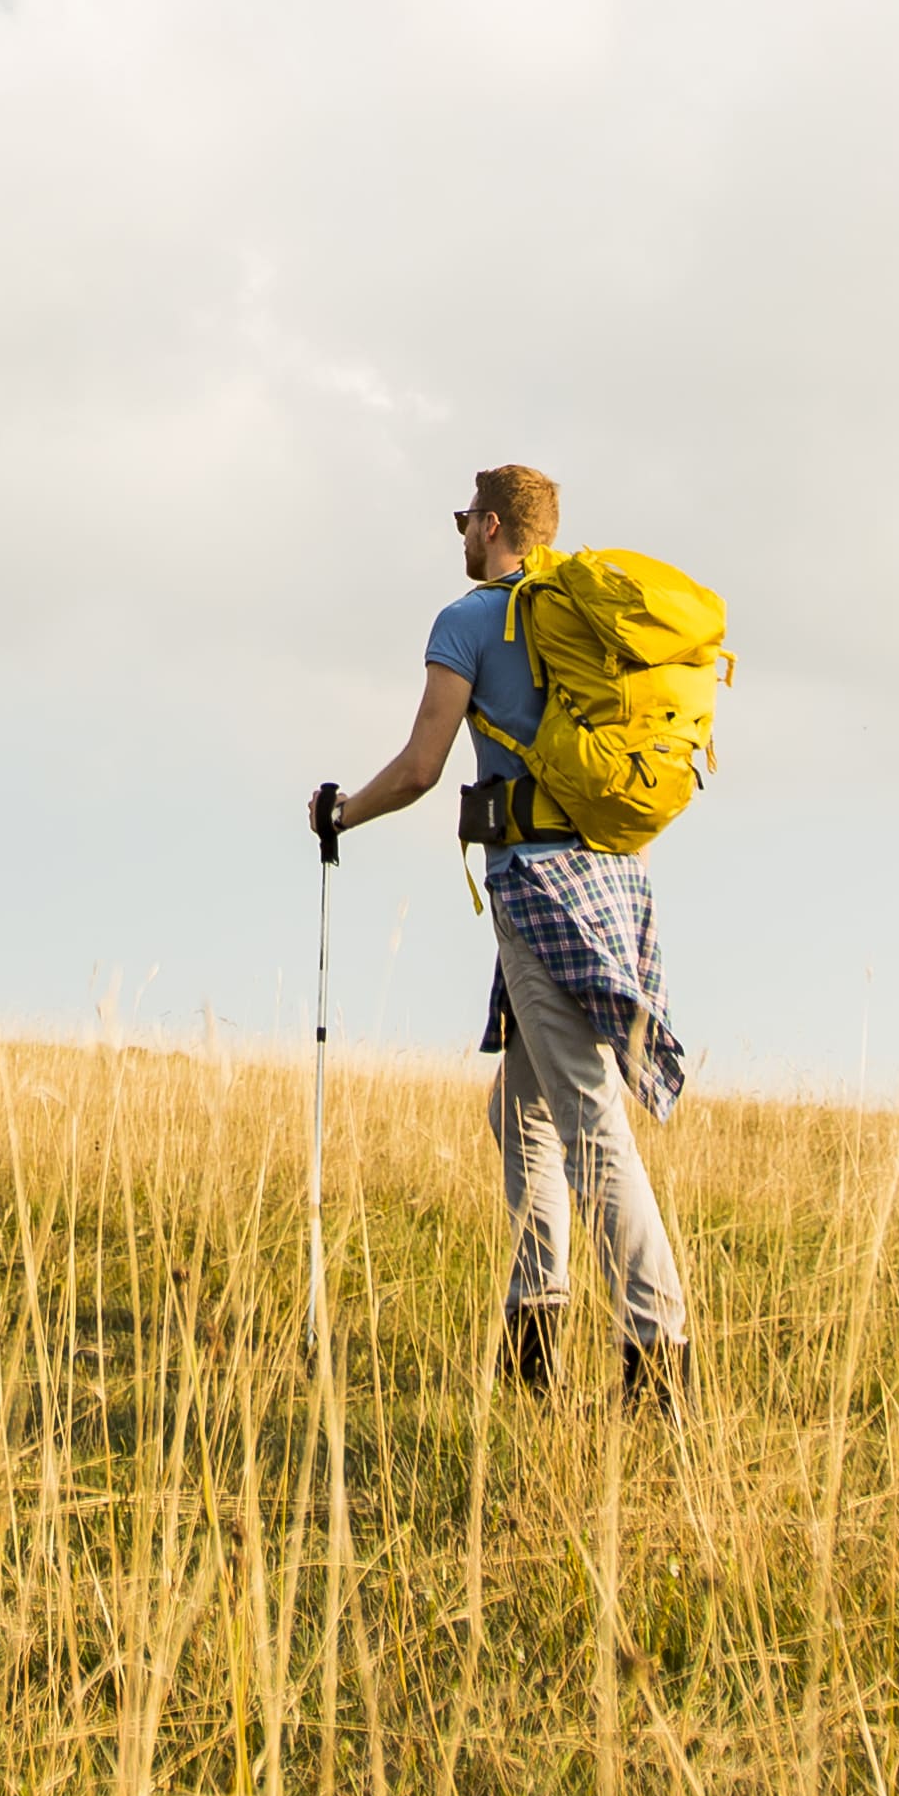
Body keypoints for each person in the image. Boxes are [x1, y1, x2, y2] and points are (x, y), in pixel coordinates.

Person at [314, 464, 693, 1408]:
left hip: (534, 886)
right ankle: (533, 1336)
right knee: (518, 1112)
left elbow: (420, 767)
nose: (461, 536)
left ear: (490, 525)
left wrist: (339, 814)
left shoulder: (470, 620)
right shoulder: (585, 621)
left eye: (464, 520)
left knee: (589, 1119)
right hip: (613, 879)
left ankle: (660, 1357)